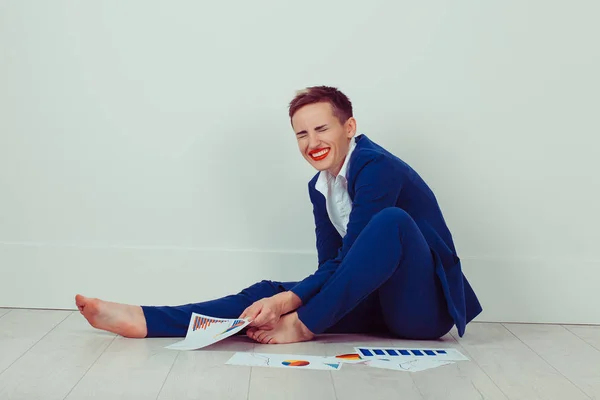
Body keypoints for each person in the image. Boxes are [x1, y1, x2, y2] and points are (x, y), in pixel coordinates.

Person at [76, 86, 482, 344]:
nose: (312, 142)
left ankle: (304, 327)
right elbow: (335, 266)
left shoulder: (377, 166)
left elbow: (358, 249)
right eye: (302, 134)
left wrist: (298, 311)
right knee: (266, 292)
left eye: (322, 129)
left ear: (349, 127)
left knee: (389, 222)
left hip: (421, 313)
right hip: (375, 307)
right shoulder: (319, 186)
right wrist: (283, 298)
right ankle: (146, 321)